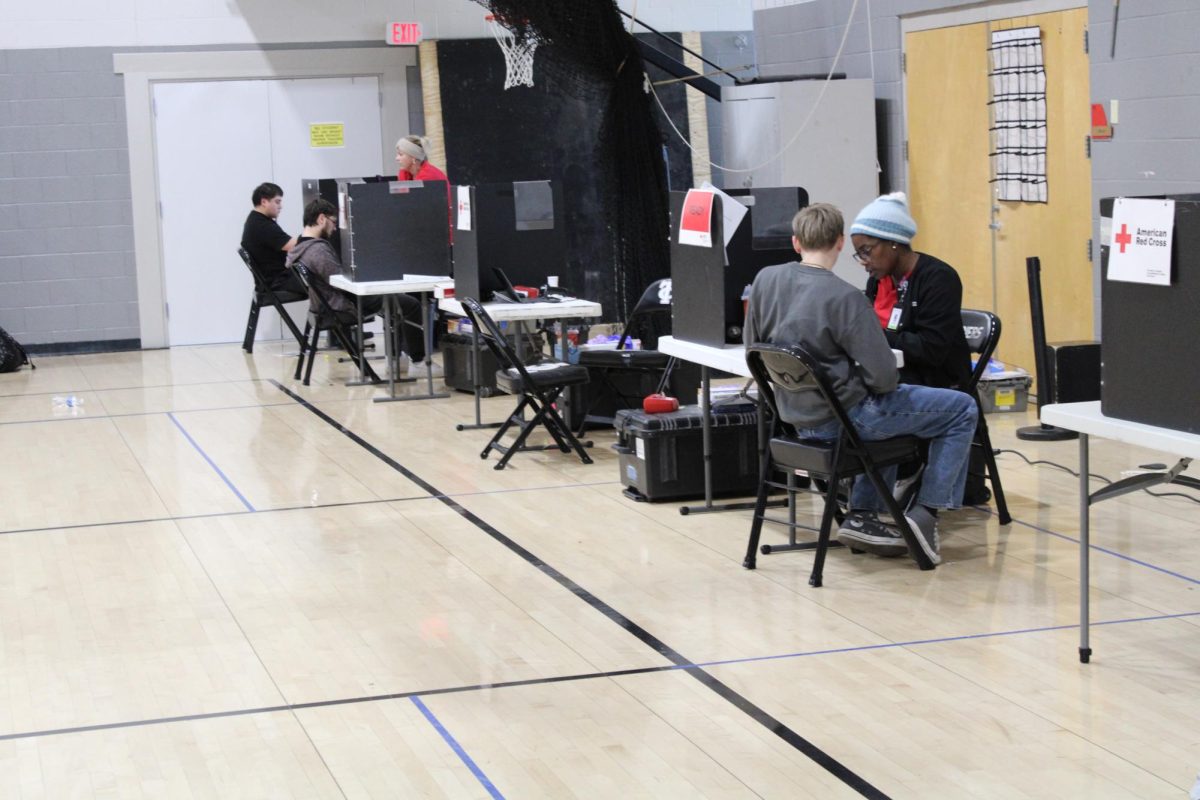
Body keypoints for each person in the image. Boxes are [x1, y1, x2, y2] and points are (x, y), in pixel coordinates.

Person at [743, 203, 978, 565]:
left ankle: (863, 514)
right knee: (962, 408)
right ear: (839, 242)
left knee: (879, 414)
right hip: (845, 420)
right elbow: (883, 378)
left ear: (795, 242)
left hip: (792, 419)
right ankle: (926, 514)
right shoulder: (846, 297)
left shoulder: (764, 280)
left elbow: (753, 348)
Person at [850, 192, 989, 504]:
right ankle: (868, 493)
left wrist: (874, 336)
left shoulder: (939, 278)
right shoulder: (879, 280)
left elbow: (931, 349)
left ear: (894, 242)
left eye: (867, 251)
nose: (864, 262)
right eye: (858, 254)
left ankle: (912, 495)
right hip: (895, 373)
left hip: (934, 377)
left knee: (872, 400)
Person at [286, 199, 426, 366]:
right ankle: (419, 361)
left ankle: (397, 359)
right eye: (333, 222)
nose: (335, 228)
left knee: (394, 304)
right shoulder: (317, 250)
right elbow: (338, 282)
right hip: (343, 304)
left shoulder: (300, 248)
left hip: (326, 305)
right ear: (321, 219)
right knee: (410, 305)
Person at [241, 182, 305, 295]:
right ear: (264, 202)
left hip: (273, 280)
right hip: (278, 282)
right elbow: (291, 245)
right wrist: (313, 232)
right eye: (277, 202)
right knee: (323, 283)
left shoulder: (256, 220)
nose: (280, 206)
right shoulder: (262, 225)